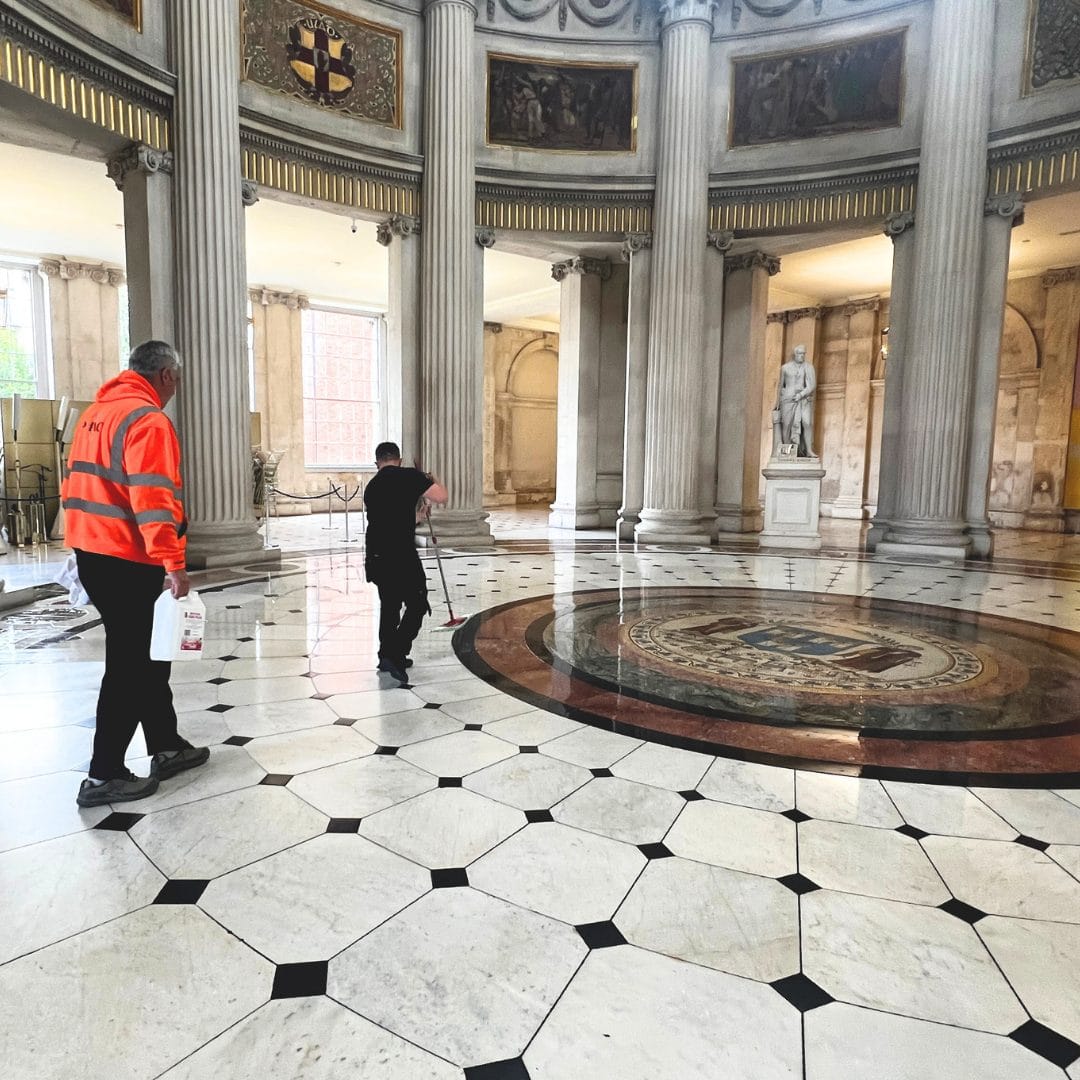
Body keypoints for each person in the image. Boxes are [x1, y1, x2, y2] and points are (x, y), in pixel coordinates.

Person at [62, 340, 209, 807]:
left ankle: (166, 746)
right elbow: (151, 498)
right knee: (129, 666)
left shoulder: (95, 413)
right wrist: (174, 563)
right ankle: (104, 774)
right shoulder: (147, 420)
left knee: (148, 656)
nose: (175, 390)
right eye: (177, 381)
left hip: (94, 554)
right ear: (166, 375)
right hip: (129, 558)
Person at [363, 442, 448, 684]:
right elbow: (442, 495)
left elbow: (388, 519)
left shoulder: (372, 486)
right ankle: (396, 652)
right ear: (399, 459)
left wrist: (417, 518)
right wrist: (430, 479)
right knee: (417, 603)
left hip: (377, 554)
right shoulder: (411, 476)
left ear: (377, 462)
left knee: (389, 605)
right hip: (401, 554)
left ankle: (385, 654)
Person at [773, 344, 818, 458]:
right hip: (787, 400)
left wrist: (801, 394)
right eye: (799, 353)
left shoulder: (809, 367)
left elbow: (812, 385)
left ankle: (808, 450)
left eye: (803, 354)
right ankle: (787, 452)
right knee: (787, 425)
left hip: (803, 400)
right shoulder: (785, 368)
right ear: (794, 355)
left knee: (807, 423)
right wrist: (777, 402)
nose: (802, 356)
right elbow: (780, 385)